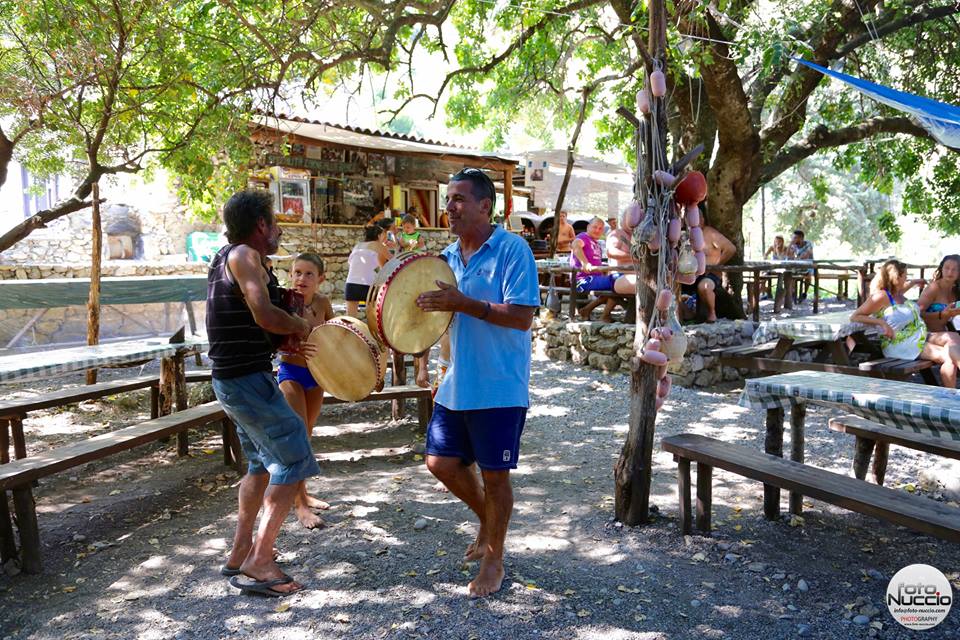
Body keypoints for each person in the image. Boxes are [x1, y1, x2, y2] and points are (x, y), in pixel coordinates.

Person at [415, 167, 539, 598]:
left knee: (496, 478)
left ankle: (494, 558)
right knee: (440, 463)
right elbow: (430, 322)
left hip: (500, 386)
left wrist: (465, 303)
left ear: (485, 207)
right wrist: (427, 363)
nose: (450, 206)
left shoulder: (512, 249)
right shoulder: (444, 259)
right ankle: (489, 521)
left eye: (459, 199)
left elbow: (522, 317)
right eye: (448, 198)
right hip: (455, 384)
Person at [206, 190, 317, 597]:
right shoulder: (243, 256)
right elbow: (263, 313)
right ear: (260, 226)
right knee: (293, 454)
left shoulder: (230, 257)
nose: (279, 229)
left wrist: (279, 338)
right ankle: (259, 559)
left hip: (239, 377)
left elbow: (253, 323)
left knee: (258, 464)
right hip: (245, 380)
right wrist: (299, 327)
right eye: (274, 221)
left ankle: (239, 552)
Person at [277, 252, 335, 530]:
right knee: (298, 436)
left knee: (308, 434)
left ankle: (303, 493)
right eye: (297, 272)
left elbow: (337, 334)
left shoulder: (323, 302)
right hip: (291, 373)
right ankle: (299, 506)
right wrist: (292, 346)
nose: (301, 278)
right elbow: (272, 337)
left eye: (309, 274)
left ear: (320, 278)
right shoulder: (285, 302)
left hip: (318, 374)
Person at [851, 259, 960, 387]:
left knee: (953, 337)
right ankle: (951, 397)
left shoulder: (897, 294)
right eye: (905, 275)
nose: (907, 278)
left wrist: (913, 283)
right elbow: (855, 316)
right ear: (897, 277)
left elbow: (903, 289)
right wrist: (881, 323)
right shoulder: (881, 296)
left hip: (916, 336)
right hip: (900, 343)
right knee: (948, 357)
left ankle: (951, 396)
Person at [570, 217, 636, 320]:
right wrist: (585, 263)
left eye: (600, 228)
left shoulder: (596, 244)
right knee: (618, 280)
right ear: (588, 227)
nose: (597, 230)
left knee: (616, 285)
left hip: (594, 279)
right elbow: (575, 245)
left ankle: (590, 311)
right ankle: (603, 314)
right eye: (595, 227)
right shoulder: (583, 237)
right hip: (582, 280)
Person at [679, 225, 737, 323]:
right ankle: (687, 314)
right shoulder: (685, 233)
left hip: (710, 274)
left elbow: (731, 248)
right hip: (690, 274)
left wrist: (717, 265)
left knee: (704, 287)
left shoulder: (710, 233)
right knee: (673, 289)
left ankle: (712, 313)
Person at [345, 225, 390, 317]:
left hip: (350, 284)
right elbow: (394, 261)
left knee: (350, 320)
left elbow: (352, 263)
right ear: (378, 236)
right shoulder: (379, 245)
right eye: (383, 235)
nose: (385, 237)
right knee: (376, 319)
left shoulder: (357, 246)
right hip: (367, 286)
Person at [919, 254, 960, 333]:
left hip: (948, 331)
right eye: (947, 268)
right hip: (926, 334)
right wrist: (941, 314)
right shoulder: (933, 288)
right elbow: (916, 313)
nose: (950, 272)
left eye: (955, 269)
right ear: (941, 269)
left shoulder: (956, 290)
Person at [787, 229, 814, 301]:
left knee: (808, 275)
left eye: (795, 238)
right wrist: (790, 244)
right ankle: (793, 292)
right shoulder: (794, 245)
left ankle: (804, 292)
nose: (794, 239)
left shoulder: (808, 244)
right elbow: (788, 255)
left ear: (801, 238)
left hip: (808, 264)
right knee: (790, 273)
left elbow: (806, 255)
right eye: (793, 238)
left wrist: (796, 258)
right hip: (797, 265)